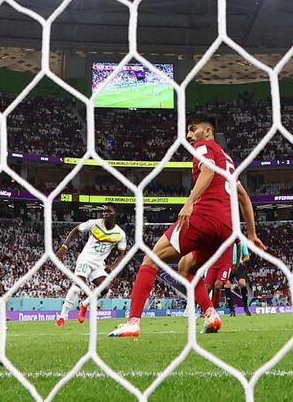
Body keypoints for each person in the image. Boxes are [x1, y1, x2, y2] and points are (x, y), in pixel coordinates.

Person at [110, 114, 266, 337]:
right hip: (226, 229)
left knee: (151, 259)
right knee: (186, 267)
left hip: (204, 217)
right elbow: (243, 196)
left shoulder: (203, 147)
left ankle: (133, 321)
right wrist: (251, 234)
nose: (189, 135)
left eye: (193, 129)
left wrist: (189, 202)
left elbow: (208, 170)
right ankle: (211, 315)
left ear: (208, 132)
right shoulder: (228, 160)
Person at [56, 204, 127, 327]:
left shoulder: (120, 234)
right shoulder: (94, 223)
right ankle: (63, 316)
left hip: (99, 264)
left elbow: (121, 254)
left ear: (115, 214)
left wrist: (113, 266)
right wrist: (64, 246)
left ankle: (84, 304)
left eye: (108, 211)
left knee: (105, 288)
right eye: (104, 211)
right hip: (85, 259)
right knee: (78, 286)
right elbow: (76, 229)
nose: (105, 213)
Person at [231, 239, 252, 316]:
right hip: (228, 266)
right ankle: (231, 310)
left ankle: (245, 307)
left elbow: (247, 257)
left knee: (242, 283)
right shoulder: (227, 243)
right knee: (227, 285)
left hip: (239, 266)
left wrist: (241, 261)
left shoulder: (242, 243)